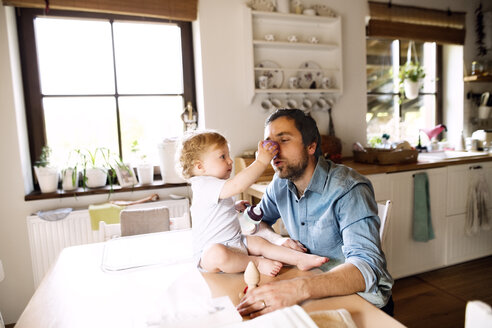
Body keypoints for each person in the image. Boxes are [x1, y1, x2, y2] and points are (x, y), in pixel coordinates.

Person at [236, 108, 394, 317]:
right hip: (310, 285)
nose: (272, 149)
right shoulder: (280, 183)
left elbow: (367, 267)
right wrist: (277, 240)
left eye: (283, 140)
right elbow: (256, 223)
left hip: (359, 299)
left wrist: (298, 288)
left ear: (311, 146)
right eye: (268, 142)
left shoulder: (349, 188)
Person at [178, 130, 328, 277]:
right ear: (200, 167)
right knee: (218, 253)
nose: (230, 160)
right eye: (222, 156)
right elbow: (238, 185)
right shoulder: (203, 184)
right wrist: (261, 161)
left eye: (228, 155)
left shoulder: (217, 185)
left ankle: (301, 259)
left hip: (235, 242)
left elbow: (214, 211)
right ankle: (257, 262)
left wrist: (235, 207)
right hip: (209, 255)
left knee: (261, 243)